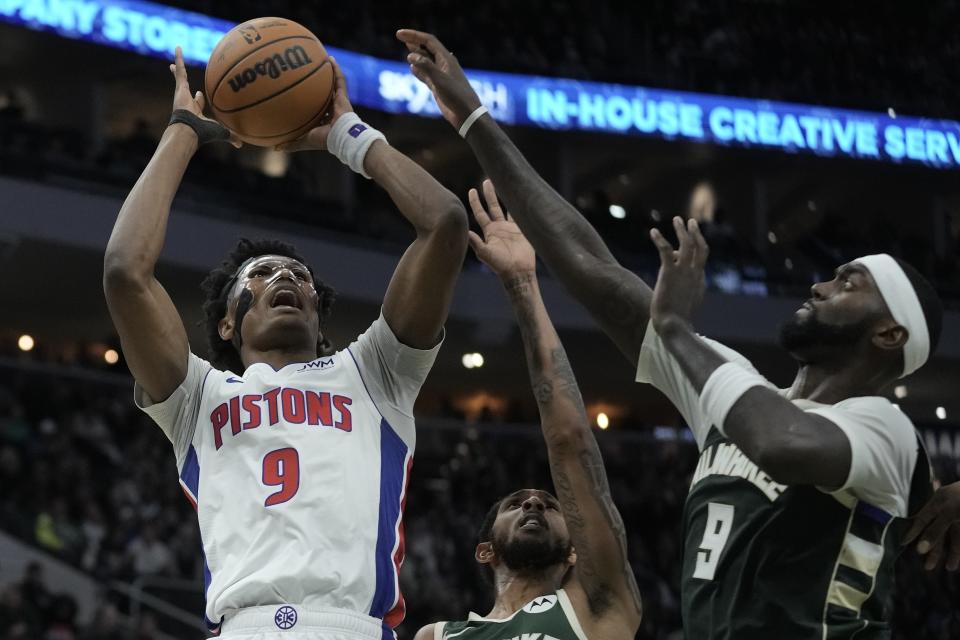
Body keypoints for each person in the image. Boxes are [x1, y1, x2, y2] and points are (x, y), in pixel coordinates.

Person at [396, 29, 943, 638]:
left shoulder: (884, 427)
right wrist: (474, 120)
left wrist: (679, 330)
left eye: (850, 284)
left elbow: (779, 444)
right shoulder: (735, 394)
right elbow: (592, 267)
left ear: (890, 336)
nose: (820, 286)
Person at [103, 47, 468, 639]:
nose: (287, 280)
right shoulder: (197, 396)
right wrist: (183, 134)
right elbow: (124, 271)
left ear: (319, 319)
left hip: (353, 626)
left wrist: (348, 137)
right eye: (263, 275)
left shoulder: (375, 371)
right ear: (226, 324)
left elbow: (445, 224)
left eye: (300, 277)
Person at [414, 185, 641, 639]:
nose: (534, 501)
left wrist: (522, 284)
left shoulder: (597, 607)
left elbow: (570, 442)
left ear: (574, 553)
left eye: (549, 505)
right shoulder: (436, 636)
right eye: (515, 504)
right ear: (485, 551)